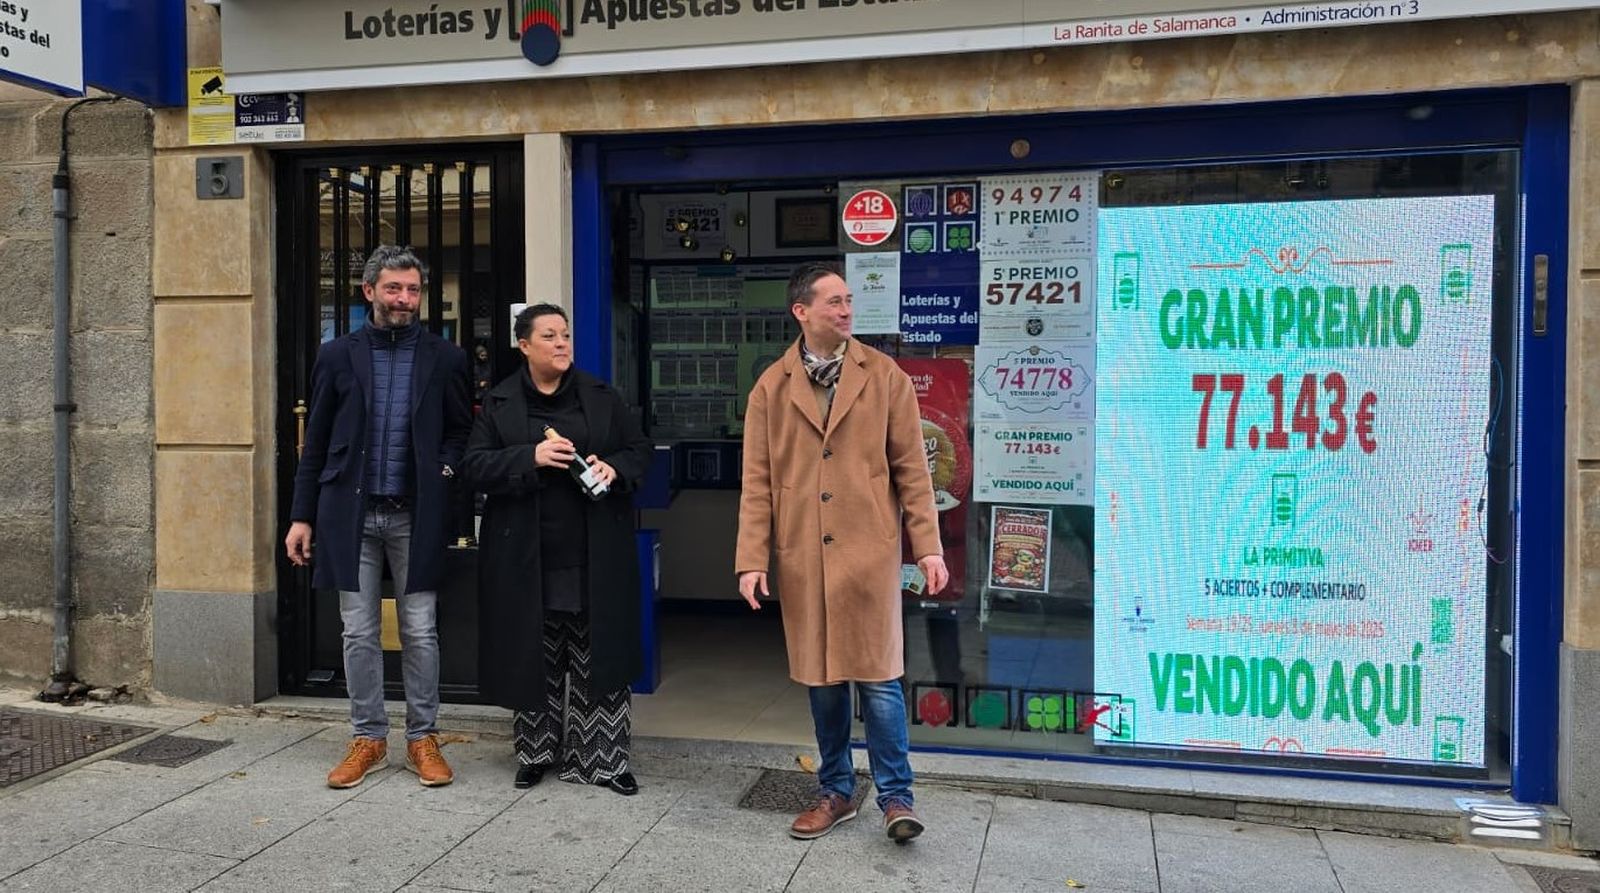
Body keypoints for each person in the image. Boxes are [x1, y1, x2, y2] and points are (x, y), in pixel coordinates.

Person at [735, 261, 949, 843]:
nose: (847, 310)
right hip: (804, 553)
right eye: (834, 301)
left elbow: (913, 469)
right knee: (823, 681)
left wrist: (927, 547)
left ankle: (896, 799)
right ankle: (834, 791)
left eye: (849, 300)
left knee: (879, 679)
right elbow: (757, 481)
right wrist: (751, 559)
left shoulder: (883, 375)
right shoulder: (771, 386)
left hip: (869, 552)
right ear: (801, 311)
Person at [285, 245, 471, 789]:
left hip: (415, 514)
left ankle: (422, 738)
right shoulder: (336, 356)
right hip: (350, 516)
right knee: (359, 632)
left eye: (413, 290)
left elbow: (461, 431)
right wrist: (301, 516)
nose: (405, 299)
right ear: (369, 291)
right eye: (394, 288)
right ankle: (368, 737)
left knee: (420, 630)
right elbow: (316, 442)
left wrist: (443, 469)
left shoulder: (446, 357)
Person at [462, 303, 653, 795]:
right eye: (549, 336)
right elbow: (474, 466)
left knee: (597, 655)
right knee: (536, 654)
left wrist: (614, 467)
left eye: (565, 334)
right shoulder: (500, 401)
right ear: (524, 345)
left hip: (593, 552)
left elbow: (639, 450)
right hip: (526, 555)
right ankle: (536, 753)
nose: (561, 343)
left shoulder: (601, 396)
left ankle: (604, 760)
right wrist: (530, 456)